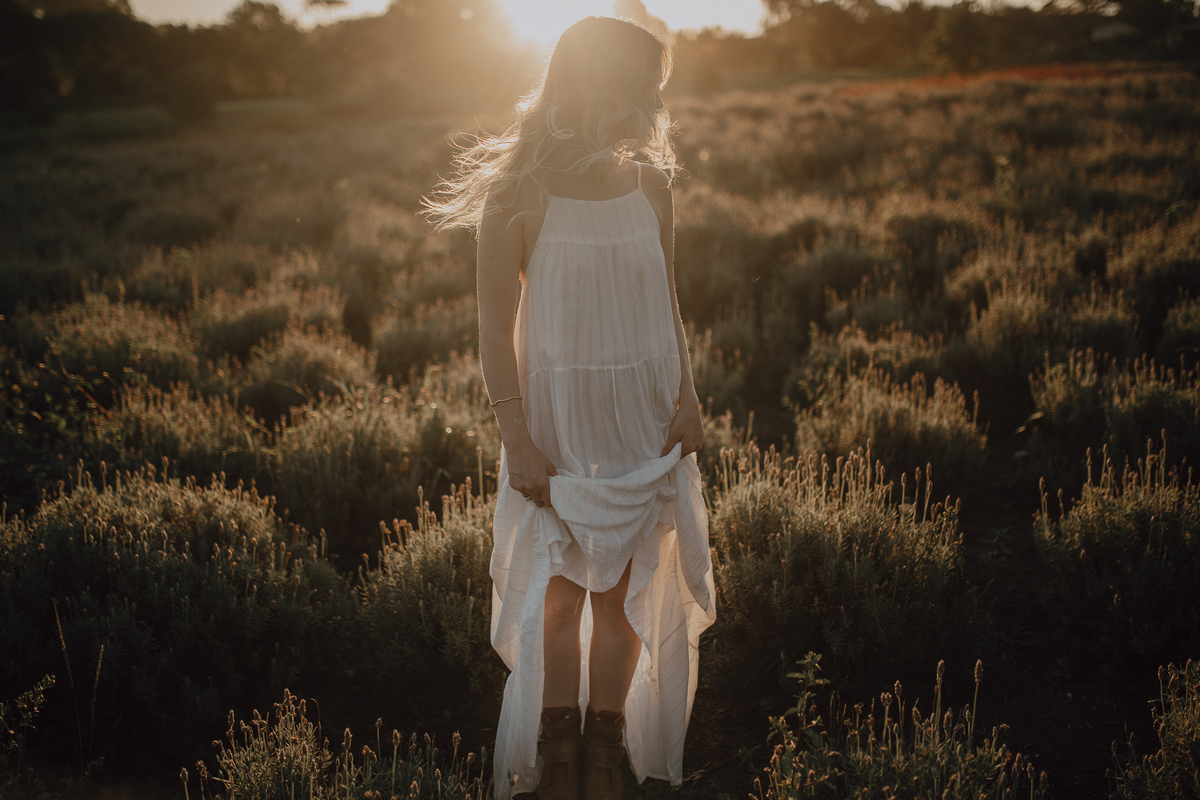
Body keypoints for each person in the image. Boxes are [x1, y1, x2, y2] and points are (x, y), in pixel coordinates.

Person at [424, 16, 715, 800]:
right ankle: (557, 763)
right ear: (605, 85)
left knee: (621, 595)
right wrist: (516, 438)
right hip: (555, 427)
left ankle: (602, 754)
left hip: (642, 420)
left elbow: (668, 301)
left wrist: (689, 399)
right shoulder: (517, 194)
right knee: (558, 598)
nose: (656, 105)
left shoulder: (651, 186)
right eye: (646, 87)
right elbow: (491, 329)